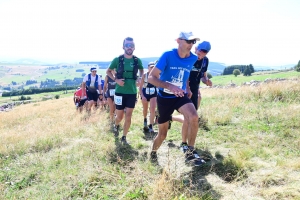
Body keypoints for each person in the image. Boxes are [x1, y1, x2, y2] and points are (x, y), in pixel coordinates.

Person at [148, 31, 205, 166]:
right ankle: (153, 153)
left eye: (193, 42)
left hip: (180, 95)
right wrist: (169, 86)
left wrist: (188, 88)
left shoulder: (192, 58)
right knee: (162, 135)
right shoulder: (168, 55)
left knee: (193, 117)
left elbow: (184, 75)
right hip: (164, 97)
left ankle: (190, 152)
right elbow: (151, 77)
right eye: (188, 41)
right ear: (178, 40)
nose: (191, 44)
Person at [106, 37, 144, 144]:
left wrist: (140, 78)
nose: (129, 47)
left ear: (134, 47)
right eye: (127, 45)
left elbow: (141, 70)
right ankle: (116, 124)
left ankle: (124, 136)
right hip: (119, 92)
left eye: (131, 45)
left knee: (128, 116)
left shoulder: (137, 60)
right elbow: (108, 71)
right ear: (123, 47)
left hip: (132, 92)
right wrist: (116, 80)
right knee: (120, 116)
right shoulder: (117, 59)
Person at [180, 41, 213, 153]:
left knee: (192, 118)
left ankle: (189, 145)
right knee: (187, 118)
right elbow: (185, 75)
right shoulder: (188, 57)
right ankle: (184, 143)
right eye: (199, 50)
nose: (200, 53)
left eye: (203, 52)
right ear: (195, 48)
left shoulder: (205, 61)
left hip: (194, 89)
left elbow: (203, 76)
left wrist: (207, 81)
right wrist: (187, 89)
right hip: (184, 88)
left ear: (206, 53)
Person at [139, 61, 157, 133]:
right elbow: (140, 87)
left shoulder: (156, 75)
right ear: (148, 68)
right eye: (151, 67)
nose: (152, 68)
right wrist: (142, 96)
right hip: (145, 93)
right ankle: (145, 119)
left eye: (153, 67)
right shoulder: (144, 75)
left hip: (153, 93)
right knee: (145, 109)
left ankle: (151, 125)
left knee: (152, 109)